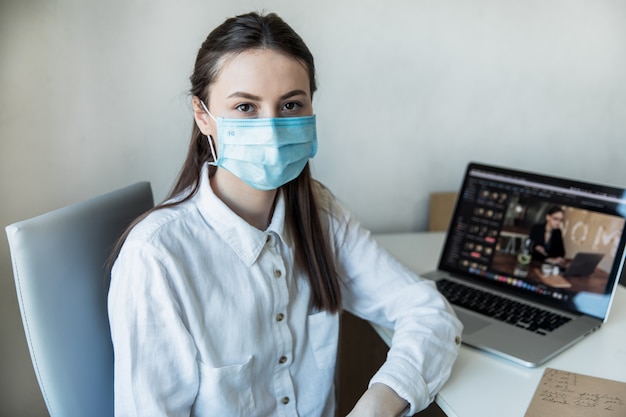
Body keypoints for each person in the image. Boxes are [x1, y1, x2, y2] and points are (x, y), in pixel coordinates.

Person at [108, 11, 462, 417]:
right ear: (203, 115)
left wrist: (376, 405)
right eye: (245, 107)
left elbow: (428, 313)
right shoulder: (155, 258)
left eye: (291, 104)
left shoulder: (319, 212)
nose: (273, 129)